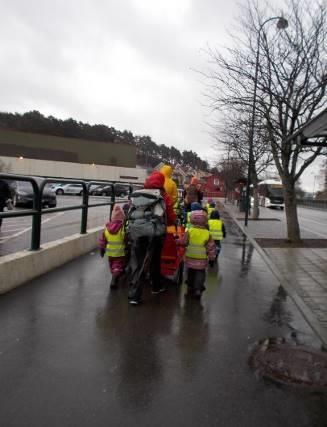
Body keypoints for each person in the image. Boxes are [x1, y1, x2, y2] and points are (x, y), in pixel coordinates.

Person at [128, 171, 176, 305]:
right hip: (155, 233)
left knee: (138, 262)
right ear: (161, 182)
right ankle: (156, 286)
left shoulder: (141, 192)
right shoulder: (163, 195)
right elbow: (170, 216)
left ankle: (134, 295)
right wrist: (172, 224)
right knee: (154, 259)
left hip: (138, 231)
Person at [178, 210, 216, 299]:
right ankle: (198, 289)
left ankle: (190, 286)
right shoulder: (207, 233)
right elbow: (211, 247)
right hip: (201, 259)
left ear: (192, 219)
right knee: (200, 273)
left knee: (190, 272)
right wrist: (211, 259)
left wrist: (177, 241)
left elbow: (184, 242)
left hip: (190, 256)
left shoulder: (190, 231)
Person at [99, 205, 127, 289]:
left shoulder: (107, 228)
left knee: (112, 265)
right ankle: (114, 279)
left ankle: (114, 274)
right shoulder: (122, 228)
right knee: (117, 266)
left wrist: (102, 250)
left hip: (109, 253)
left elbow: (102, 240)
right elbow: (125, 238)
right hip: (119, 252)